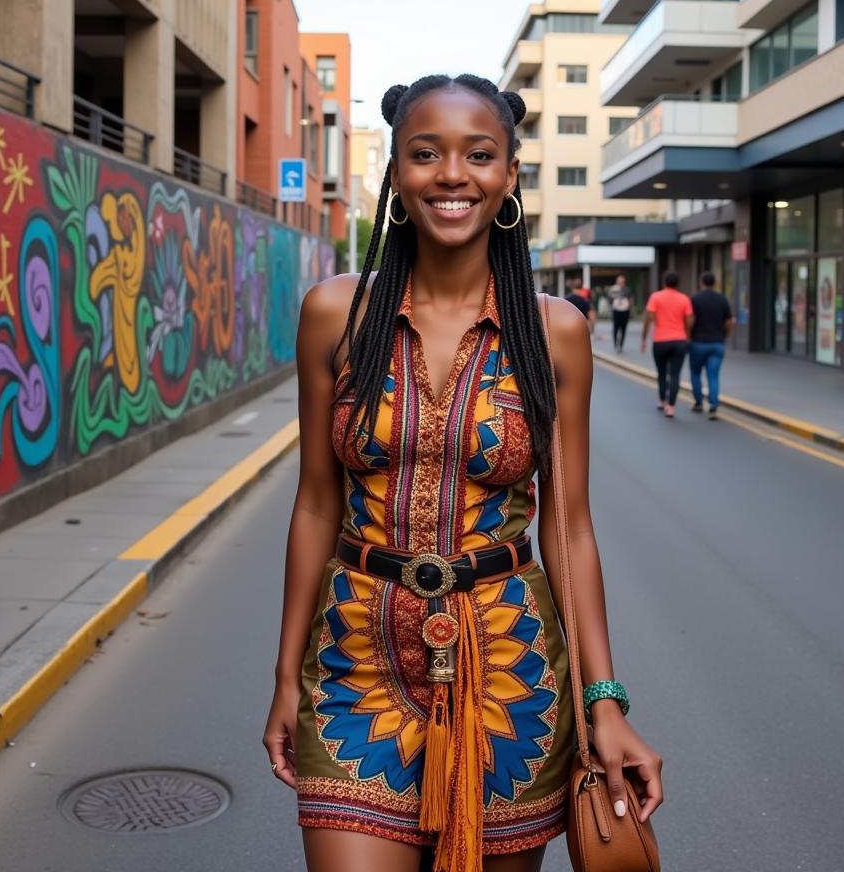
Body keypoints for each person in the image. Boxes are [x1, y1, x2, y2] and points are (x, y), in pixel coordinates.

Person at [263, 75, 663, 872]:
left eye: (479, 154)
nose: (452, 174)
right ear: (396, 174)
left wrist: (604, 700)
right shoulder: (334, 314)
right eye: (425, 154)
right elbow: (314, 505)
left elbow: (568, 525)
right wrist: (284, 679)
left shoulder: (555, 333)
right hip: (355, 666)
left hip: (508, 670)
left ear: (509, 175)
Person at [640, 271, 693, 419]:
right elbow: (689, 321)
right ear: (678, 283)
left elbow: (648, 319)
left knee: (662, 372)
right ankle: (671, 406)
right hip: (679, 340)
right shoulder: (684, 299)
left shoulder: (656, 297)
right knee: (675, 374)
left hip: (660, 341)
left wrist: (644, 339)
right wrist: (687, 337)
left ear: (664, 282)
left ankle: (662, 400)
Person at [689, 271, 734, 420]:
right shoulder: (722, 299)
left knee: (695, 373)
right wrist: (724, 335)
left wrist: (688, 336)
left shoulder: (695, 299)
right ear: (714, 283)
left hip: (698, 343)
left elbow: (690, 320)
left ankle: (698, 403)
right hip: (717, 343)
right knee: (713, 375)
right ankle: (713, 405)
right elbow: (729, 322)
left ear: (701, 282)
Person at [608, 274, 632, 353]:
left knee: (623, 329)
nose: (620, 283)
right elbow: (610, 299)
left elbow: (630, 299)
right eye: (619, 281)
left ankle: (621, 345)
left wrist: (630, 308)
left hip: (625, 311)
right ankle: (616, 344)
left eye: (622, 282)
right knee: (615, 328)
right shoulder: (613, 289)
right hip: (616, 311)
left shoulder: (627, 289)